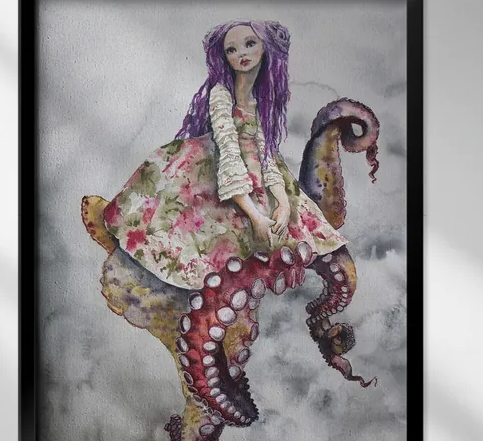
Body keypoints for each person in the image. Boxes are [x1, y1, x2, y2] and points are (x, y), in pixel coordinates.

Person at [102, 19, 348, 291]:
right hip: (222, 166)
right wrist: (255, 216)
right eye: (232, 49)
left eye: (249, 44)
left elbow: (267, 157)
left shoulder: (259, 101)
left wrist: (283, 203)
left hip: (254, 168)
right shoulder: (221, 94)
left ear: (265, 48)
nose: (241, 53)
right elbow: (228, 150)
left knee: (289, 225)